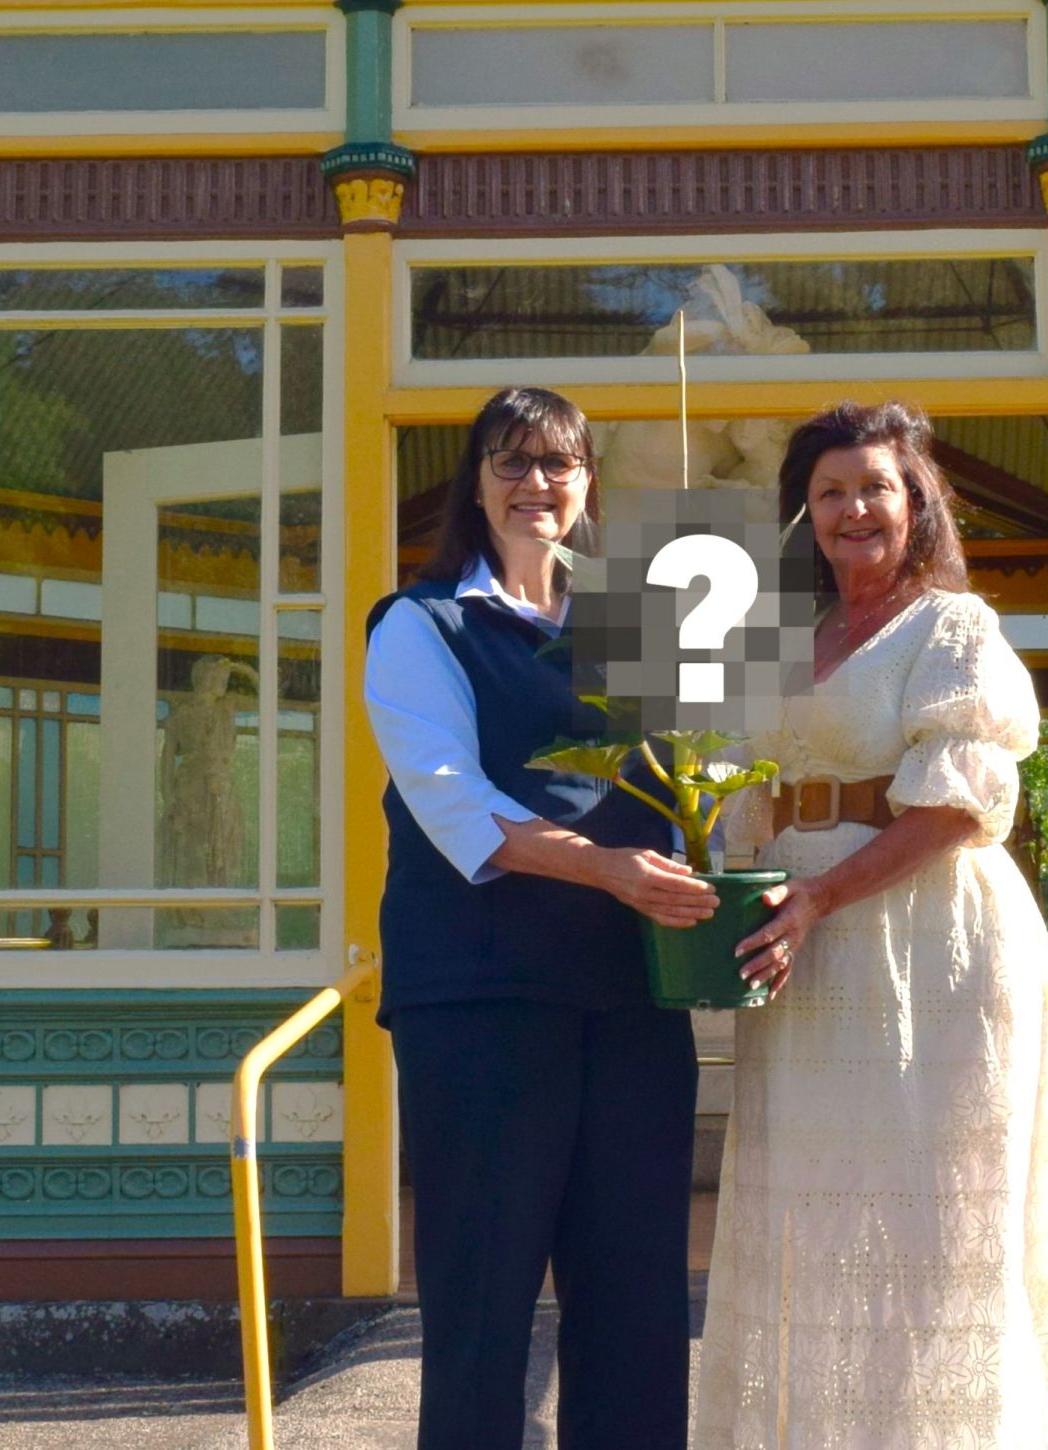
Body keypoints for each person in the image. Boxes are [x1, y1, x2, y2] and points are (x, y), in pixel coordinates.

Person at [694, 401, 1048, 1447]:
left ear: (916, 503)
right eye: (828, 492)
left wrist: (820, 894)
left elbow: (961, 803)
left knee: (935, 1230)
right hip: (803, 952)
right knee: (810, 1221)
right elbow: (738, 791)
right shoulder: (777, 636)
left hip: (932, 942)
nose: (852, 508)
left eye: (874, 486)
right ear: (803, 517)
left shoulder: (953, 626)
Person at [363, 387, 718, 1449]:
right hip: (479, 1006)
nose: (536, 485)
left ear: (586, 485)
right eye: (511, 464)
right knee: (480, 1306)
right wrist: (611, 870)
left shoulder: (639, 624)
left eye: (559, 465)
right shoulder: (416, 624)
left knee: (637, 1307)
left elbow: (701, 792)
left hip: (630, 1003)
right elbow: (457, 811)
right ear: (474, 484)